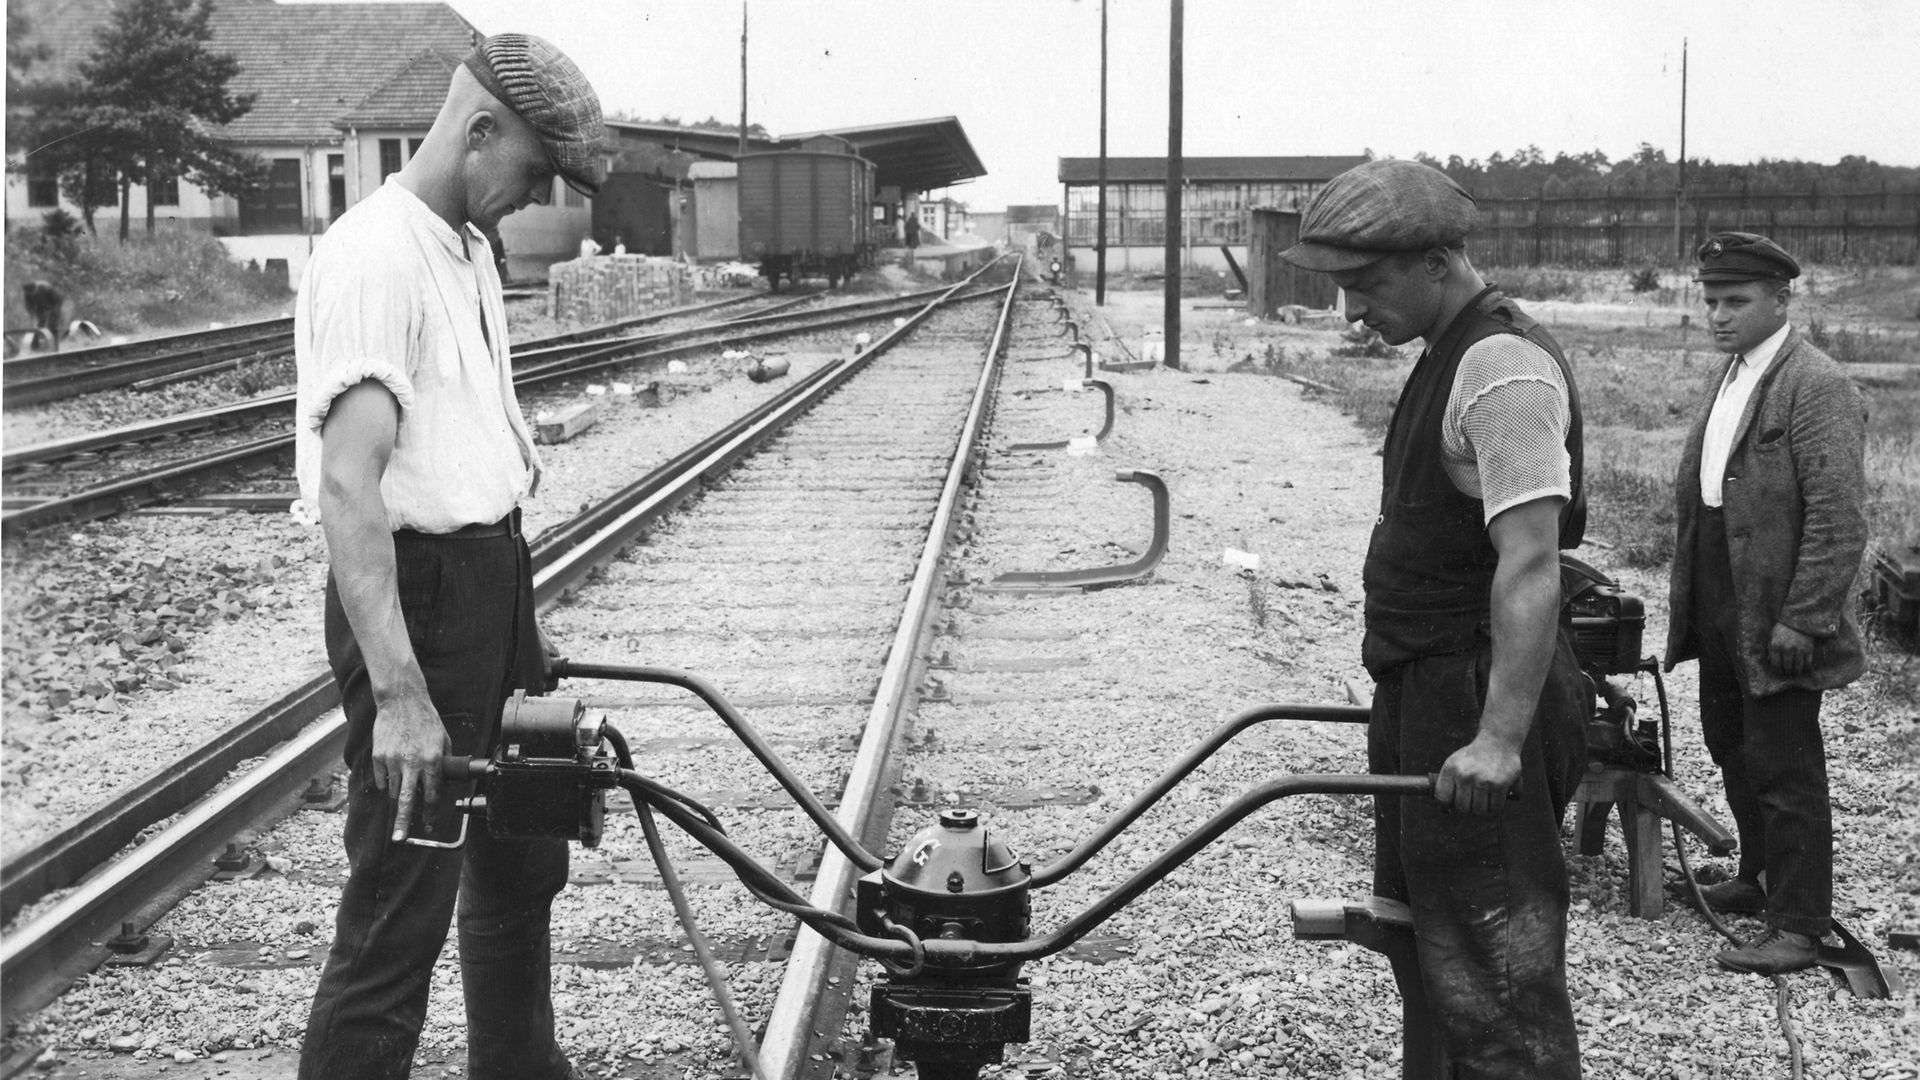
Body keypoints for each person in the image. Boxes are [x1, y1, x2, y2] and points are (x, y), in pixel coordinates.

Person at [291, 32, 603, 1080]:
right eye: (533, 169)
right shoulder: (376, 255)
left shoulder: (465, 246)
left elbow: (466, 448)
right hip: (418, 602)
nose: (537, 195)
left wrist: (518, 615)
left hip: (489, 582)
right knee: (399, 908)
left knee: (519, 860)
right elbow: (349, 487)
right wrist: (403, 698)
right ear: (479, 133)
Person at [1279, 159, 1587, 1078]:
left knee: (1496, 977)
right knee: (1430, 952)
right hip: (1429, 688)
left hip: (1478, 695)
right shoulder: (1444, 359)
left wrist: (1497, 740)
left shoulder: (1502, 370)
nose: (1352, 312)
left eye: (1365, 286)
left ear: (1438, 263)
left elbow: (1533, 566)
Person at [1664, 232, 1868, 975]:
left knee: (1785, 766)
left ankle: (1802, 923)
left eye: (1736, 301)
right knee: (1731, 743)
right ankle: (1756, 878)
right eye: (1711, 300)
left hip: (1777, 610)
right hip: (1722, 595)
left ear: (1782, 300)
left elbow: (1839, 516)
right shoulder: (1733, 373)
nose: (1719, 315)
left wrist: (1805, 618)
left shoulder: (1814, 384)